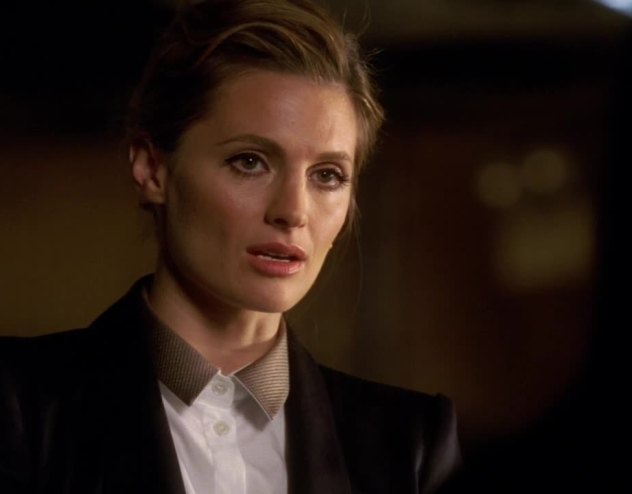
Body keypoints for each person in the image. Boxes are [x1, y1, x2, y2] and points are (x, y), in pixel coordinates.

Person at [0, 1, 460, 492]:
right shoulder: (21, 408)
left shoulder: (408, 444)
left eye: (327, 175)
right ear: (152, 169)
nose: (294, 211)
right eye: (250, 161)